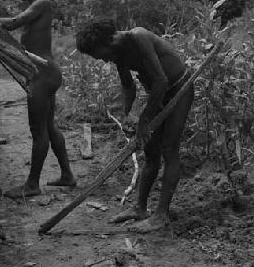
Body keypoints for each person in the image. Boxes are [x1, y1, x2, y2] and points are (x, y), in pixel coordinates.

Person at [75, 18, 194, 233]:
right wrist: (126, 114)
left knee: (169, 149)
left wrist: (144, 120)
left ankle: (161, 215)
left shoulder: (138, 37)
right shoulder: (118, 53)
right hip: (159, 94)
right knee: (150, 151)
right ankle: (140, 208)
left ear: (108, 41)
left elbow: (161, 81)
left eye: (100, 54)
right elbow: (128, 86)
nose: (103, 60)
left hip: (179, 89)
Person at [0, 0, 76, 198]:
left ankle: (32, 185)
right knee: (49, 126)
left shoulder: (42, 2)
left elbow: (13, 23)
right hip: (44, 73)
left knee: (38, 131)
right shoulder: (39, 5)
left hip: (42, 74)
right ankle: (67, 175)